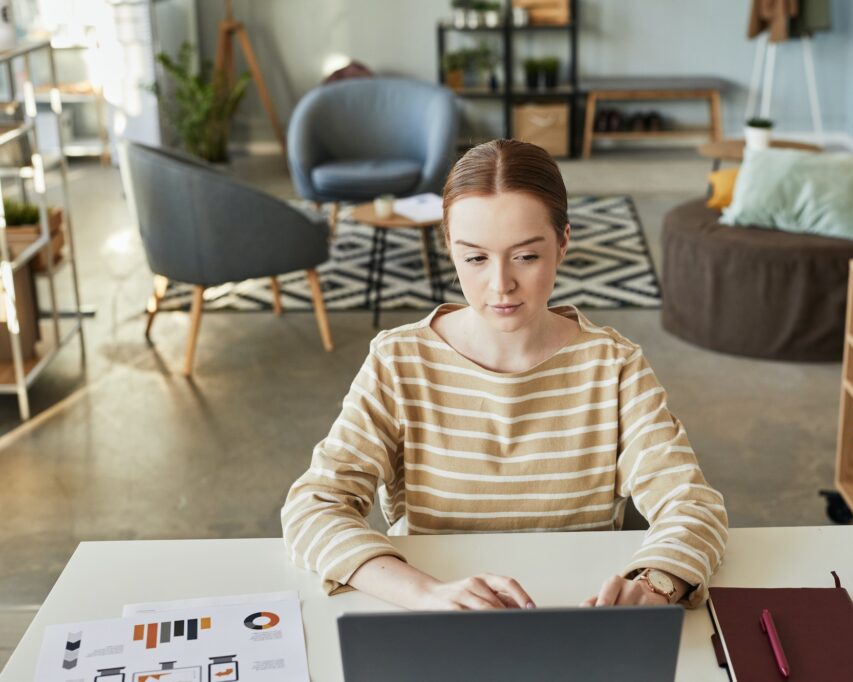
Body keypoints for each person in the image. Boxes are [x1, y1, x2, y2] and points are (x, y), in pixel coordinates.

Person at [281, 139, 727, 610]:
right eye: (475, 258)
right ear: (449, 247)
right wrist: (425, 592)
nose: (500, 284)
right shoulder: (399, 361)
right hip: (440, 619)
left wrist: (657, 586)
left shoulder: (614, 366)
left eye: (526, 256)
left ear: (563, 242)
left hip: (578, 617)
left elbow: (693, 505)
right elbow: (314, 507)